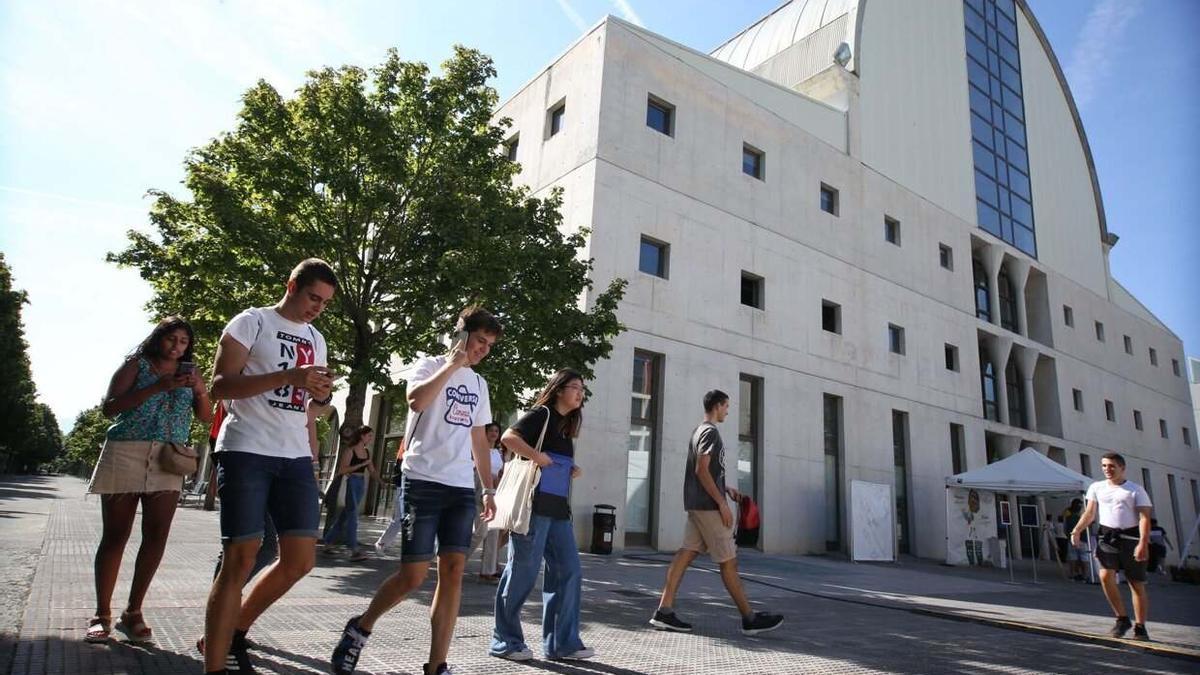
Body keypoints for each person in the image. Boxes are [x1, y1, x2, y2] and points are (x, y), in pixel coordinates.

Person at [331, 307, 501, 675]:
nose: (483, 350)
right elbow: (417, 401)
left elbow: (478, 439)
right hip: (422, 480)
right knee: (413, 575)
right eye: (479, 341)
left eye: (489, 345)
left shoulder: (479, 385)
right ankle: (361, 628)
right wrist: (452, 365)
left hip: (458, 487)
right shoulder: (429, 365)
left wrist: (488, 488)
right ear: (461, 335)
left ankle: (437, 664)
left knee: (453, 570)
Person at [202, 258, 337, 674]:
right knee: (240, 556)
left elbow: (310, 403)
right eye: (313, 297)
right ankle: (215, 663)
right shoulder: (251, 322)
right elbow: (220, 386)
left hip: (294, 454)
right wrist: (290, 377)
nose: (317, 308)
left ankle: (232, 630)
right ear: (292, 285)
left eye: (325, 303)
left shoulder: (316, 338)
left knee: (300, 560)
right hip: (247, 449)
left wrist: (319, 397)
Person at [86, 316, 212, 643]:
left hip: (170, 458)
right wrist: (158, 387)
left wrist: (199, 389)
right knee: (115, 536)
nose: (177, 346)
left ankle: (133, 611)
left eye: (184, 341)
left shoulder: (190, 375)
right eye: (172, 339)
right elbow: (110, 408)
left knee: (156, 536)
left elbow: (206, 417)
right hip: (127, 451)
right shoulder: (137, 365)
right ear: (159, 338)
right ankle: (101, 615)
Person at [649, 389, 783, 636]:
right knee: (729, 562)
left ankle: (664, 612)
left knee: (685, 554)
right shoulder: (710, 432)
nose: (728, 411)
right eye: (727, 406)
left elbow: (705, 472)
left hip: (698, 505)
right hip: (709, 508)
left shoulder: (698, 431)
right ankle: (749, 618)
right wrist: (722, 503)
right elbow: (702, 469)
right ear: (718, 406)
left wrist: (725, 488)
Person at [490, 370, 593, 662]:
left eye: (582, 389)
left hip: (558, 509)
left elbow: (553, 461)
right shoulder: (541, 414)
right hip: (532, 507)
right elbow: (510, 438)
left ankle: (562, 643)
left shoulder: (565, 425)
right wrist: (538, 458)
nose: (579, 394)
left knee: (569, 570)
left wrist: (569, 468)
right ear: (559, 390)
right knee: (522, 571)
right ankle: (504, 640)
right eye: (575, 387)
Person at [1070, 452, 1153, 641]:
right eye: (1104, 466)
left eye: (1112, 466)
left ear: (1122, 468)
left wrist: (1143, 542)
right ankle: (1122, 618)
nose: (1107, 469)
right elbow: (1090, 513)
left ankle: (1140, 626)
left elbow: (1144, 518)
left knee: (1135, 583)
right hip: (1107, 537)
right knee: (1105, 575)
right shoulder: (1096, 487)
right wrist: (1076, 531)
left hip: (1131, 538)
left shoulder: (1135, 490)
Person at [322, 425, 381, 561]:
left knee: (345, 516)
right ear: (362, 436)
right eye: (369, 435)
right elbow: (342, 470)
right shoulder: (350, 450)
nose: (371, 438)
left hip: (360, 483)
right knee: (353, 516)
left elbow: (371, 470)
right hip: (350, 482)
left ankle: (328, 542)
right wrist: (361, 465)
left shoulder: (367, 452)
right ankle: (354, 549)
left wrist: (381, 481)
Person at [469, 422, 505, 583]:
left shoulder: (500, 452)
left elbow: (501, 473)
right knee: (480, 532)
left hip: (496, 494)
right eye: (490, 430)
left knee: (493, 533)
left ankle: (488, 572)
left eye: (496, 431)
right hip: (480, 490)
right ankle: (454, 560)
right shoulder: (477, 448)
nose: (494, 433)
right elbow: (473, 469)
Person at [374, 438, 408, 554]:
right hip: (403, 488)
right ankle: (381, 543)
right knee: (399, 519)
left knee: (400, 519)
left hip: (404, 487)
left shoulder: (403, 456)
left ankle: (382, 543)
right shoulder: (404, 457)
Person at [1063, 498, 1090, 581]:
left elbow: (1065, 527)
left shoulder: (1068, 515)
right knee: (1084, 557)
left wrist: (1068, 536)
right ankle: (1084, 575)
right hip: (1083, 539)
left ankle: (1073, 574)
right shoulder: (1083, 516)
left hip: (1072, 538)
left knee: (1073, 557)